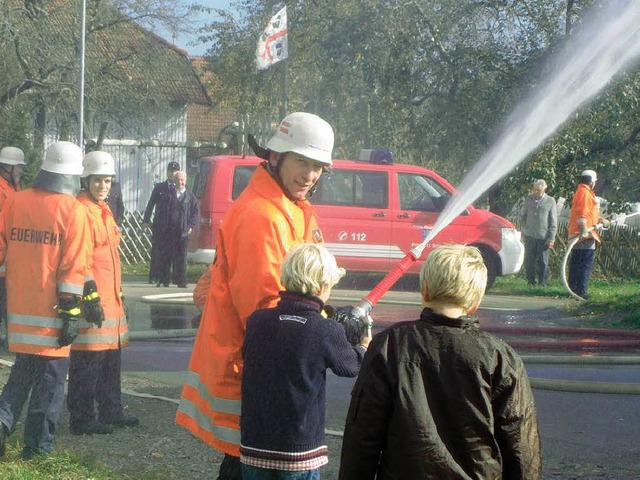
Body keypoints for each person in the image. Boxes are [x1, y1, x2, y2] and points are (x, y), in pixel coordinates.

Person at [176, 112, 335, 480]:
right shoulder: (262, 217)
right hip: (251, 369)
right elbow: (265, 310)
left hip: (262, 366)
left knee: (243, 466)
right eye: (302, 162)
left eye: (317, 167)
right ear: (276, 157)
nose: (309, 175)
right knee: (244, 465)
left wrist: (325, 316)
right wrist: (321, 327)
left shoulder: (290, 210)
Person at [339, 244, 542, 480]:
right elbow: (521, 445)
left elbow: (362, 435)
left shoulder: (389, 346)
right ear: (475, 301)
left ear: (424, 290)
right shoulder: (500, 357)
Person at [240, 243, 371, 479]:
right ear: (322, 287)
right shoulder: (325, 329)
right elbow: (350, 367)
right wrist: (363, 347)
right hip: (298, 450)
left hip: (254, 443)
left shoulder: (257, 321)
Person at [0, 141, 92, 459]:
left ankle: (1, 423)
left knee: (22, 373)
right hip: (52, 315)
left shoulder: (17, 201)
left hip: (19, 311)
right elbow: (72, 268)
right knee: (50, 383)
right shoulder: (74, 211)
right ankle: (36, 446)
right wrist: (70, 313)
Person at [67, 150, 139, 436]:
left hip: (111, 303)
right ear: (86, 180)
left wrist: (118, 296)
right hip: (94, 302)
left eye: (108, 181)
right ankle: (82, 418)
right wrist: (90, 295)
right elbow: (79, 258)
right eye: (98, 180)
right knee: (87, 363)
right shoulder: (83, 211)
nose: (103, 186)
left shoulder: (104, 211)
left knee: (110, 362)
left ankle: (111, 411)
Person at [567, 169, 609, 300]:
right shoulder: (585, 192)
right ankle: (580, 292)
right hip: (584, 235)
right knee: (583, 265)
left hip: (581, 234)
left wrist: (601, 220)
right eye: (594, 182)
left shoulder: (583, 192)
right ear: (591, 181)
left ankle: (573, 291)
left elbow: (589, 213)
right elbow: (582, 213)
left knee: (576, 264)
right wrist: (584, 229)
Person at [155, 170, 199, 288]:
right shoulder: (168, 195)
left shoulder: (190, 197)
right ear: (174, 181)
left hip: (183, 231)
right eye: (178, 180)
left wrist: (190, 226)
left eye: (182, 180)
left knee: (181, 257)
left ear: (186, 181)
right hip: (169, 231)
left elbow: (195, 213)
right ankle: (165, 280)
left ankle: (181, 281)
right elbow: (160, 211)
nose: (180, 182)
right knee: (167, 256)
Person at [0, 146, 26, 342]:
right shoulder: (2, 189)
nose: (21, 171)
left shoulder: (13, 187)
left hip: (10, 256)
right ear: (8, 167)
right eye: (19, 167)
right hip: (3, 253)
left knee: (8, 300)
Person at [142, 161, 181, 285]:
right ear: (167, 172)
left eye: (175, 171)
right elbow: (151, 204)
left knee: (172, 253)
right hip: (160, 225)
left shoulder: (181, 188)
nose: (173, 173)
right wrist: (146, 221)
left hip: (174, 227)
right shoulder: (159, 187)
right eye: (171, 170)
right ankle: (153, 276)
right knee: (157, 252)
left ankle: (169, 277)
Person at [521, 179, 557, 286]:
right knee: (529, 261)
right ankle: (530, 282)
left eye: (539, 190)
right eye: (535, 189)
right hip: (530, 235)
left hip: (543, 236)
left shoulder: (550, 201)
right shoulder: (528, 199)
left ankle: (542, 284)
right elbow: (524, 216)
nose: (536, 192)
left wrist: (551, 238)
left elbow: (553, 221)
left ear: (544, 188)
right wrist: (525, 228)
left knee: (543, 262)